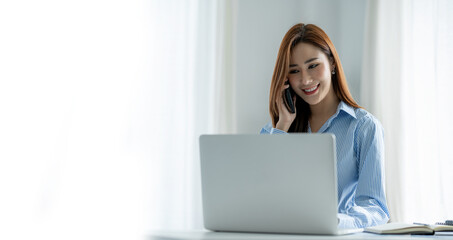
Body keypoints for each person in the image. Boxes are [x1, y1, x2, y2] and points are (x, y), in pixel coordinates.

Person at [260, 23, 390, 229]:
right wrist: (283, 125)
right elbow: (261, 200)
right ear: (286, 80)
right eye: (294, 71)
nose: (305, 80)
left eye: (313, 66)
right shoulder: (274, 131)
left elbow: (375, 208)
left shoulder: (364, 127)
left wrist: (335, 221)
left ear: (331, 63)